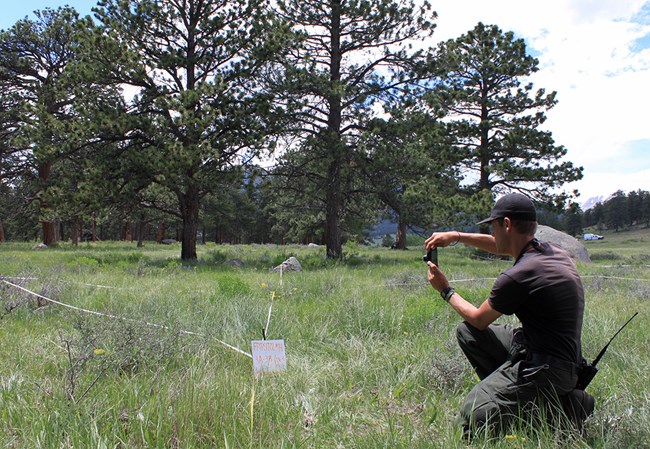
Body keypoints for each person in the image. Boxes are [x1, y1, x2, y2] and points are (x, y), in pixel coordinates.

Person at [424, 193, 594, 436]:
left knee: (472, 416)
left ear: (506, 224)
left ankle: (562, 409)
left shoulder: (518, 275)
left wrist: (445, 290)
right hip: (564, 362)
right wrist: (457, 237)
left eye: (494, 226)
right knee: (468, 334)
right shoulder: (552, 252)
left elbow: (479, 319)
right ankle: (512, 396)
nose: (492, 234)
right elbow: (500, 246)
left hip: (545, 369)